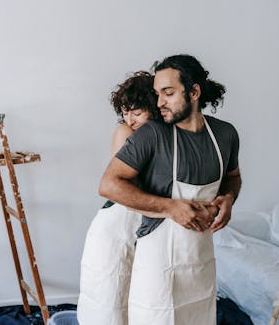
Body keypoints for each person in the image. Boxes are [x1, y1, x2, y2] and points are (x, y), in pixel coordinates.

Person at [99, 54, 242, 325]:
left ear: (194, 92)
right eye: (157, 94)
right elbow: (109, 185)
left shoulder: (225, 134)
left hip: (200, 264)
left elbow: (233, 177)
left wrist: (229, 198)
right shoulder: (152, 134)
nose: (160, 102)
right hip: (157, 268)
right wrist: (171, 207)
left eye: (168, 93)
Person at [77, 71, 161, 325]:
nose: (130, 119)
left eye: (136, 112)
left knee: (132, 298)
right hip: (117, 219)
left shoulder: (157, 134)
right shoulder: (125, 131)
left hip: (136, 222)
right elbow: (128, 183)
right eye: (125, 112)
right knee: (108, 297)